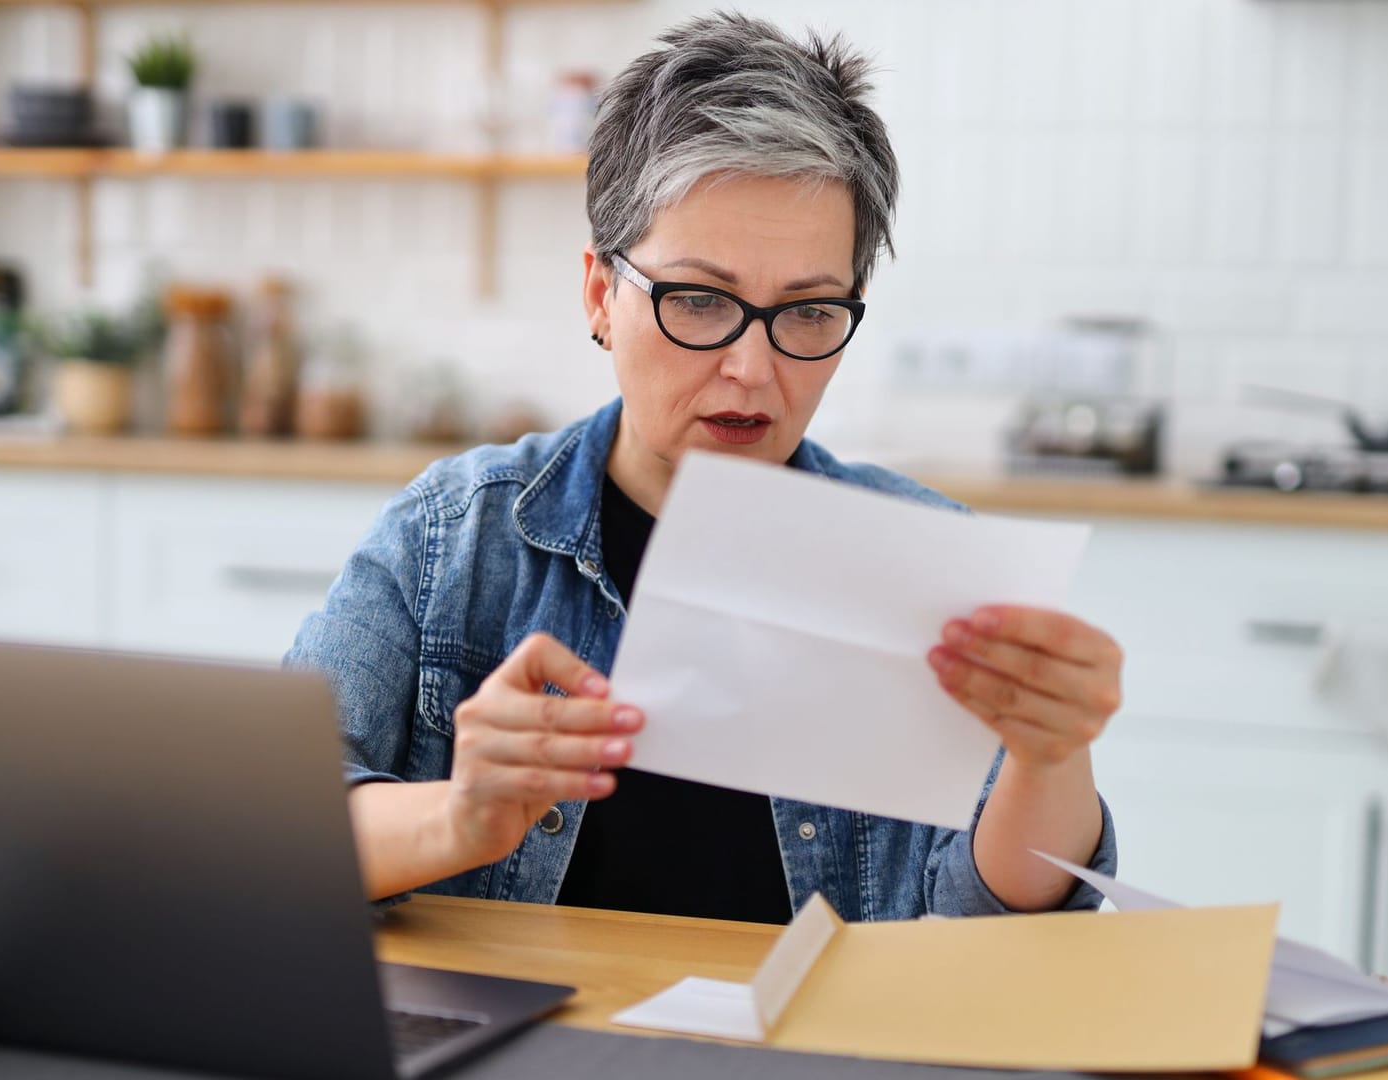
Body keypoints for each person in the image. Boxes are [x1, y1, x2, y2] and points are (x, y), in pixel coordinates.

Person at [288, 11, 1120, 924]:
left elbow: (984, 935)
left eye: (807, 312)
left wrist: (1052, 755)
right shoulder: (455, 537)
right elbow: (269, 827)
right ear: (602, 295)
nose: (752, 369)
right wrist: (457, 817)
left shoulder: (929, 567)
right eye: (698, 298)